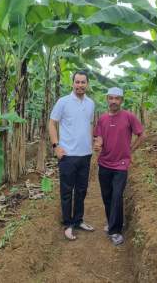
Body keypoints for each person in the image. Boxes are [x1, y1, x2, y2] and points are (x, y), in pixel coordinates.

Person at [94, 87, 145, 246]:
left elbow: (142, 135)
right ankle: (113, 222)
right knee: (107, 197)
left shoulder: (128, 116)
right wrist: (98, 144)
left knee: (117, 196)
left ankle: (115, 231)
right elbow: (99, 136)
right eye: (111, 98)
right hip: (104, 163)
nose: (114, 101)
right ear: (107, 99)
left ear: (121, 100)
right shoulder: (102, 119)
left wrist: (131, 150)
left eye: (117, 98)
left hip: (121, 164)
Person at [49, 70, 95, 241]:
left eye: (83, 82)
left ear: (87, 84)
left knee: (82, 190)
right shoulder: (63, 102)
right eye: (77, 82)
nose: (80, 85)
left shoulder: (90, 103)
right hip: (68, 155)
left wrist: (91, 144)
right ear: (72, 83)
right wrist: (56, 146)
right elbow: (52, 123)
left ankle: (78, 220)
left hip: (85, 154)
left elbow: (89, 124)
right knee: (67, 191)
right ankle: (68, 224)